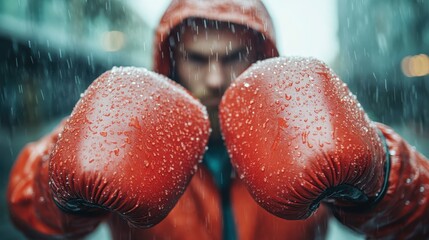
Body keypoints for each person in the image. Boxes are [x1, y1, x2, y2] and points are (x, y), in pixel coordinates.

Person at [6, 1, 429, 240]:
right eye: (197, 58)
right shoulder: (132, 128)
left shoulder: (302, 126)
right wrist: (63, 182)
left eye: (231, 58)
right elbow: (28, 215)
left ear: (261, 59)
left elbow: (418, 217)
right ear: (172, 60)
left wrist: (381, 171)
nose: (214, 77)